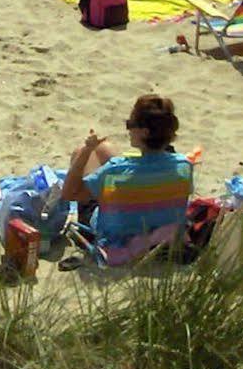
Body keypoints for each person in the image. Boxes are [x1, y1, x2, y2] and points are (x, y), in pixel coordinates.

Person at [61, 95, 194, 266]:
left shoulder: (114, 170)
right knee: (105, 148)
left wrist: (86, 151)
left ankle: (85, 152)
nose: (128, 130)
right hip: (159, 236)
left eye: (130, 125)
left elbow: (69, 193)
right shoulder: (184, 166)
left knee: (85, 152)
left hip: (113, 237)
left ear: (145, 132)